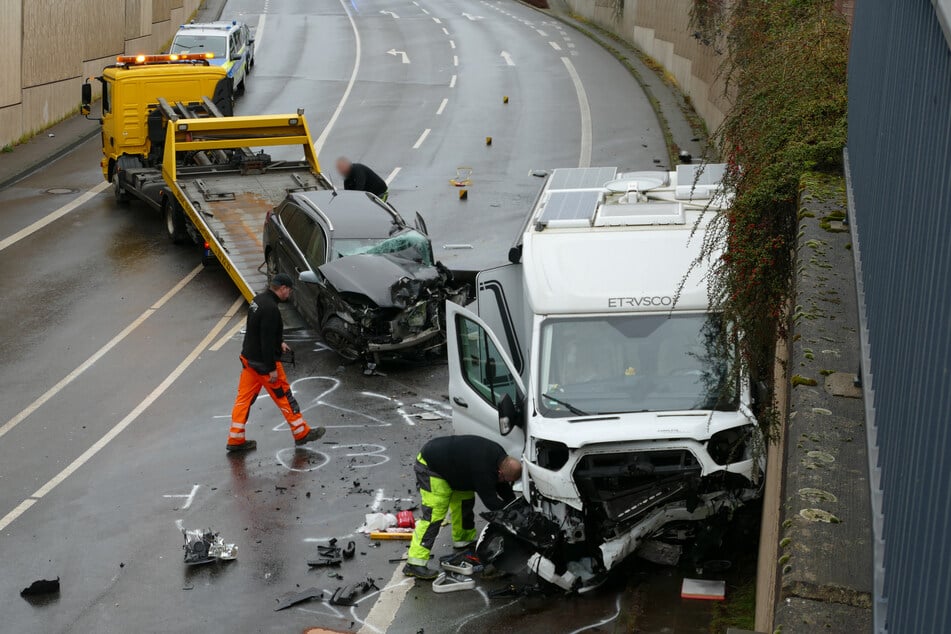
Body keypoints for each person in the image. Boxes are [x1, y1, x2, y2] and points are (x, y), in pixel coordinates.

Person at [226, 273, 325, 453]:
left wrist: (278, 342)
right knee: (284, 397)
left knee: (243, 400)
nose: (290, 294)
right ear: (283, 289)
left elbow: (258, 331)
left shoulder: (258, 300)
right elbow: (265, 339)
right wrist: (271, 368)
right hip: (264, 365)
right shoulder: (271, 309)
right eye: (289, 290)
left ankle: (235, 438)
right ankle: (301, 432)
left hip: (249, 360)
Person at [403, 435, 522, 579]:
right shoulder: (483, 467)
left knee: (464, 501)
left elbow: (502, 486)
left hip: (454, 471)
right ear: (500, 472)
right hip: (431, 467)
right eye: (505, 479)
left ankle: (463, 539)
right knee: (435, 513)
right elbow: (491, 501)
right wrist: (509, 517)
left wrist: (515, 506)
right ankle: (415, 562)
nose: (505, 482)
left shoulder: (500, 458)